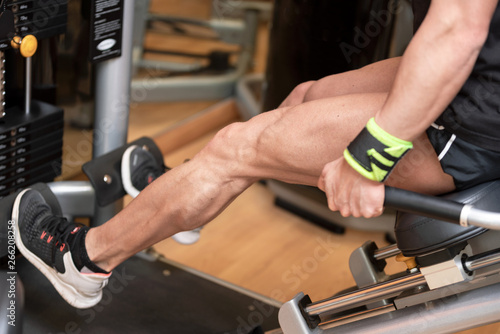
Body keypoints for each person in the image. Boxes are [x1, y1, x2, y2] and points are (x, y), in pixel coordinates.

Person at [11, 0, 500, 309]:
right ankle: (179, 204)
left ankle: (83, 264)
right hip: (478, 82)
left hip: (472, 122)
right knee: (308, 94)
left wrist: (367, 158)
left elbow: (457, 29)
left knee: (234, 148)